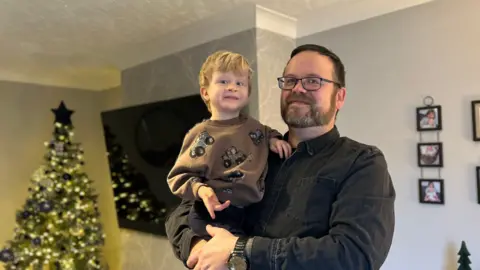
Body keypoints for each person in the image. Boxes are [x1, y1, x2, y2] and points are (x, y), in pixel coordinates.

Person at [165, 44, 396, 270]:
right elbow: (181, 214)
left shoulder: (363, 162)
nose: (298, 88)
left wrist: (240, 250)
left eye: (313, 81)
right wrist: (200, 248)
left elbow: (354, 256)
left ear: (340, 97)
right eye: (290, 80)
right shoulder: (254, 150)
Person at [167, 50, 292, 240]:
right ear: (205, 92)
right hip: (213, 213)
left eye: (239, 83)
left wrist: (275, 140)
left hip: (250, 212)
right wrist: (202, 190)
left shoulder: (255, 127)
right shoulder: (200, 134)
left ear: (247, 93)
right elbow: (178, 177)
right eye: (223, 81)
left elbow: (269, 133)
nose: (232, 87)